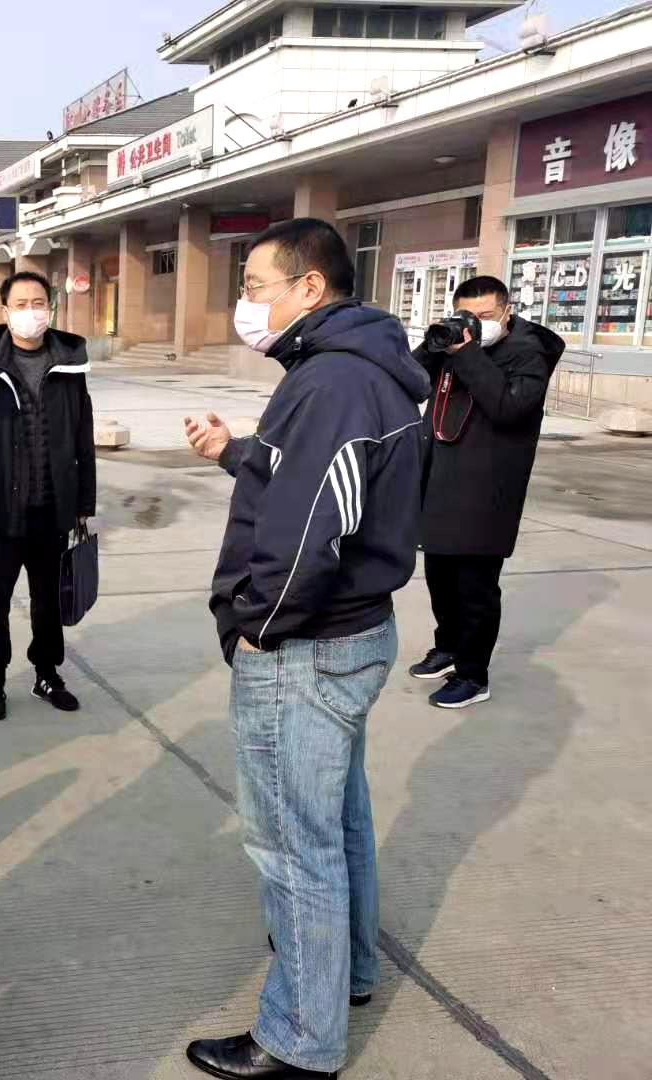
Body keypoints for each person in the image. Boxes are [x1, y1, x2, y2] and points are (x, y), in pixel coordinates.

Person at [182, 218, 428, 1079]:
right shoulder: (360, 369)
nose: (246, 302)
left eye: (255, 285)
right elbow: (312, 476)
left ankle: (298, 1037)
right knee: (336, 822)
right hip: (350, 632)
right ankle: (344, 975)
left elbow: (309, 531)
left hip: (307, 644)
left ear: (310, 287)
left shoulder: (331, 382)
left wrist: (257, 623)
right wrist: (236, 454)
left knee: (294, 846)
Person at [409, 275, 564, 709]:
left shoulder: (528, 353)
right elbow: (411, 380)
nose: (476, 323)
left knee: (474, 589)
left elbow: (508, 408)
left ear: (507, 311)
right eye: (467, 315)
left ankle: (473, 675)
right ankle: (448, 647)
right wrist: (435, 344)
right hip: (440, 480)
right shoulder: (456, 342)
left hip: (486, 490)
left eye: (486, 315)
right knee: (440, 578)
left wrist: (467, 353)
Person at [0, 270, 95, 722]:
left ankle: (46, 673)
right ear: (5, 310)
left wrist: (83, 504)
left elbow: (83, 436)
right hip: (0, 515)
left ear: (50, 308)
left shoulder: (69, 365)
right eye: (21, 304)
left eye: (38, 303)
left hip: (53, 509)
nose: (31, 312)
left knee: (49, 600)